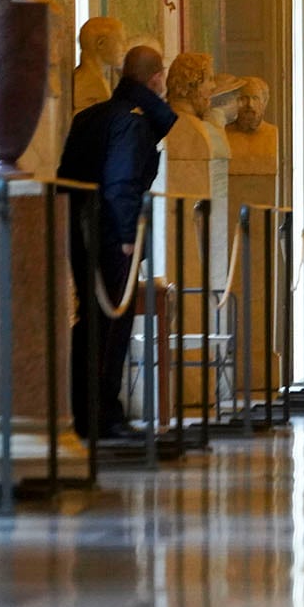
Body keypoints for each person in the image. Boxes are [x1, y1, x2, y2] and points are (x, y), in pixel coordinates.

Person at [57, 45, 177, 441]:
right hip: (111, 236)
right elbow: (121, 183)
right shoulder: (131, 121)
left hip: (82, 230)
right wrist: (127, 236)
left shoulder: (89, 116)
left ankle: (88, 410)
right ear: (156, 78)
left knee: (92, 322)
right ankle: (102, 415)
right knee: (110, 327)